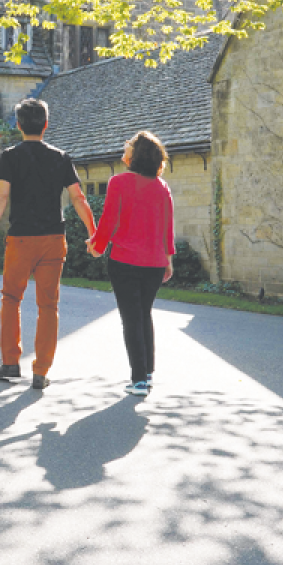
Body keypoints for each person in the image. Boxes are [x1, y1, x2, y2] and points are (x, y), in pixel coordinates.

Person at [0, 98, 96, 391]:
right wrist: (93, 232)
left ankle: (9, 363)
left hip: (21, 239)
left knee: (11, 299)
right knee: (48, 305)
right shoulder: (61, 157)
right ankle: (41, 371)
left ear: (19, 126)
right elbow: (78, 199)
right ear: (46, 124)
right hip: (52, 240)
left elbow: (1, 196)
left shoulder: (10, 156)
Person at [87, 131, 175, 396]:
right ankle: (147, 372)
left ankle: (138, 380)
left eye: (128, 145)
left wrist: (97, 247)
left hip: (125, 261)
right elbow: (167, 228)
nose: (124, 147)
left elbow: (109, 220)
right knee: (143, 314)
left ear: (135, 155)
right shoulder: (162, 187)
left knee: (132, 319)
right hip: (155, 263)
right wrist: (168, 260)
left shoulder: (119, 182)